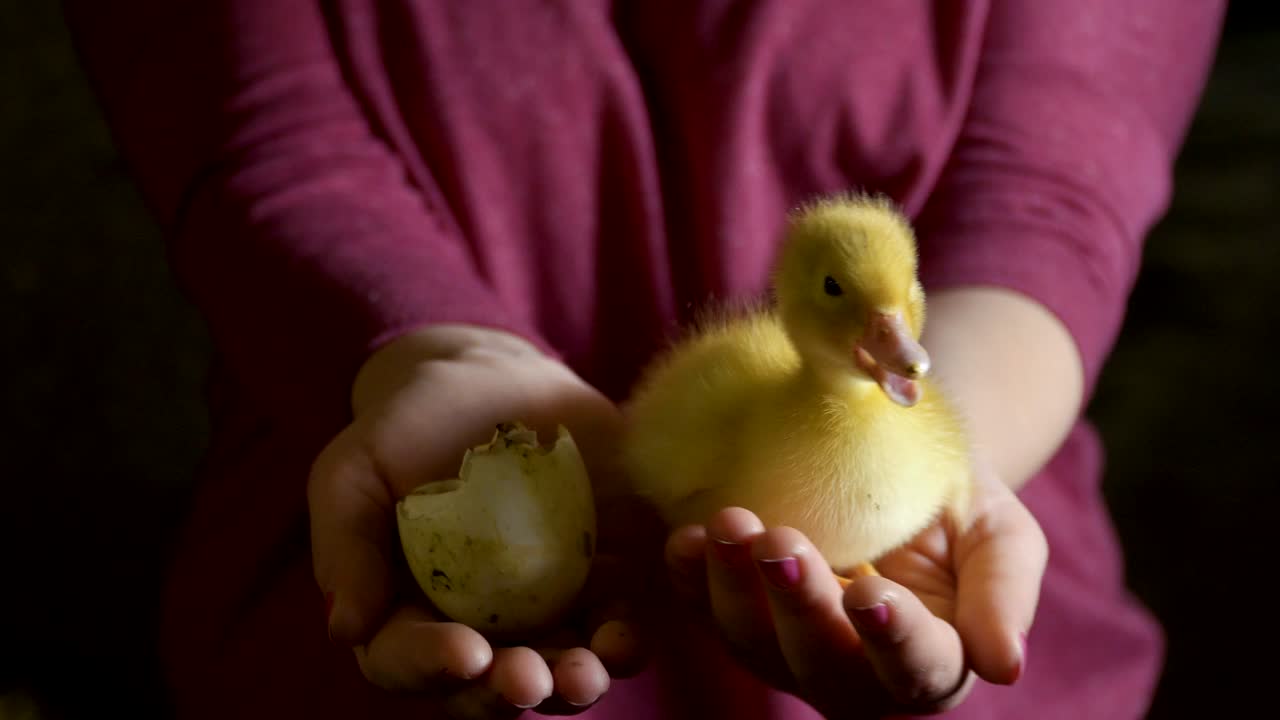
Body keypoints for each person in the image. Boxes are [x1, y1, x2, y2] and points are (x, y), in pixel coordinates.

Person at [64, 1, 1224, 718]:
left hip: (970, 587)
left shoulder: (876, 359)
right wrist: (436, 355)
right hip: (384, 588)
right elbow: (266, 154)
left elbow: (1045, 201)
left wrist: (952, 459)